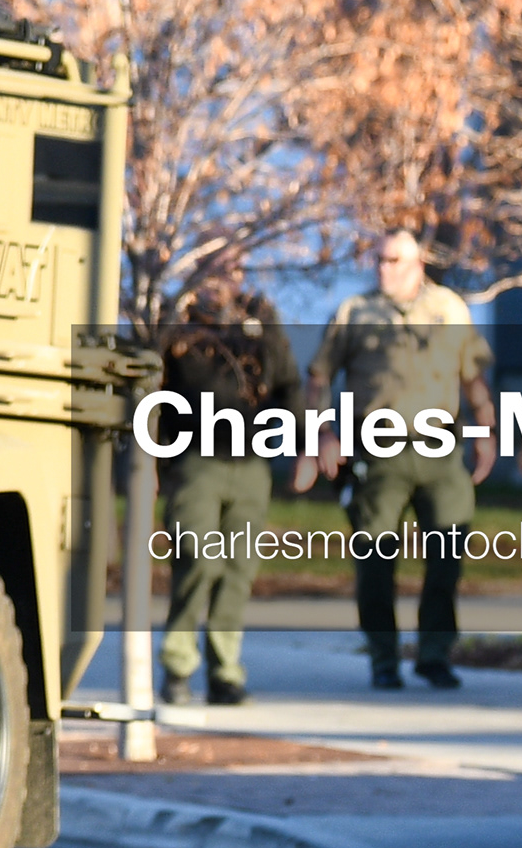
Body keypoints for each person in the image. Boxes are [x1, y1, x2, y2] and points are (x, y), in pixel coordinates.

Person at [295, 227, 495, 691]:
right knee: (375, 556)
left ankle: (434, 653)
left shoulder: (449, 309)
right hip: (378, 450)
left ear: (418, 264)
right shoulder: (355, 312)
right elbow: (319, 377)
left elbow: (474, 380)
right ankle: (383, 657)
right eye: (380, 260)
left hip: (439, 447)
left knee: (447, 553)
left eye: (394, 261)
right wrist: (322, 433)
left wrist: (486, 433)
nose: (384, 269)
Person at [153, 254, 299, 708]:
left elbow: (289, 385)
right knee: (198, 558)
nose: (224, 280)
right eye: (215, 270)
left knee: (238, 569)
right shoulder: (178, 321)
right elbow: (152, 395)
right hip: (195, 461)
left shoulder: (259, 318)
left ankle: (225, 672)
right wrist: (150, 463)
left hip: (250, 462)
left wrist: (297, 442)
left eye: (233, 270)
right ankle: (178, 665)